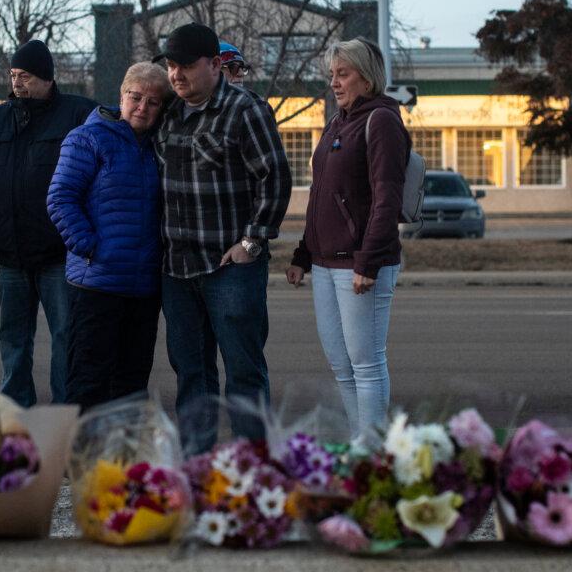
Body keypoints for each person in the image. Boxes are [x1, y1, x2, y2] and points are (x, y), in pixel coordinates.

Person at [153, 22, 291, 452]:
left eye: (186, 67)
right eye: (171, 67)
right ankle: (198, 468)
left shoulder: (243, 109)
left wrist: (252, 242)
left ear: (214, 64)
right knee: (191, 374)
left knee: (244, 373)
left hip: (230, 269)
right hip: (177, 270)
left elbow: (275, 177)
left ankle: (255, 468)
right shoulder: (169, 114)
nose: (176, 75)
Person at [0, 40, 96, 406]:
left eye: (27, 76)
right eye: (14, 76)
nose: (18, 83)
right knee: (13, 338)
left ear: (47, 78)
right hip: (11, 255)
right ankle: (17, 410)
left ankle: (66, 413)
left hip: (59, 254)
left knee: (67, 337)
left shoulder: (78, 114)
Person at [285, 38, 409, 439]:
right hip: (324, 262)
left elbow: (386, 196)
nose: (335, 83)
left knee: (366, 365)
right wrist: (303, 255)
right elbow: (322, 193)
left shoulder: (382, 121)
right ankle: (362, 444)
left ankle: (373, 454)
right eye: (331, 75)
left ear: (367, 77)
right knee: (342, 365)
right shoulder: (337, 122)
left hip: (359, 262)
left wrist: (368, 260)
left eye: (344, 74)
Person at [47, 62, 170, 411]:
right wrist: (90, 247)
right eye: (135, 97)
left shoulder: (158, 146)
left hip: (143, 288)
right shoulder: (88, 138)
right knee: (88, 383)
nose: (142, 107)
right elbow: (60, 197)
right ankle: (81, 461)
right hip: (96, 283)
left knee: (131, 386)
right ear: (121, 96)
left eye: (153, 101)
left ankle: (122, 462)